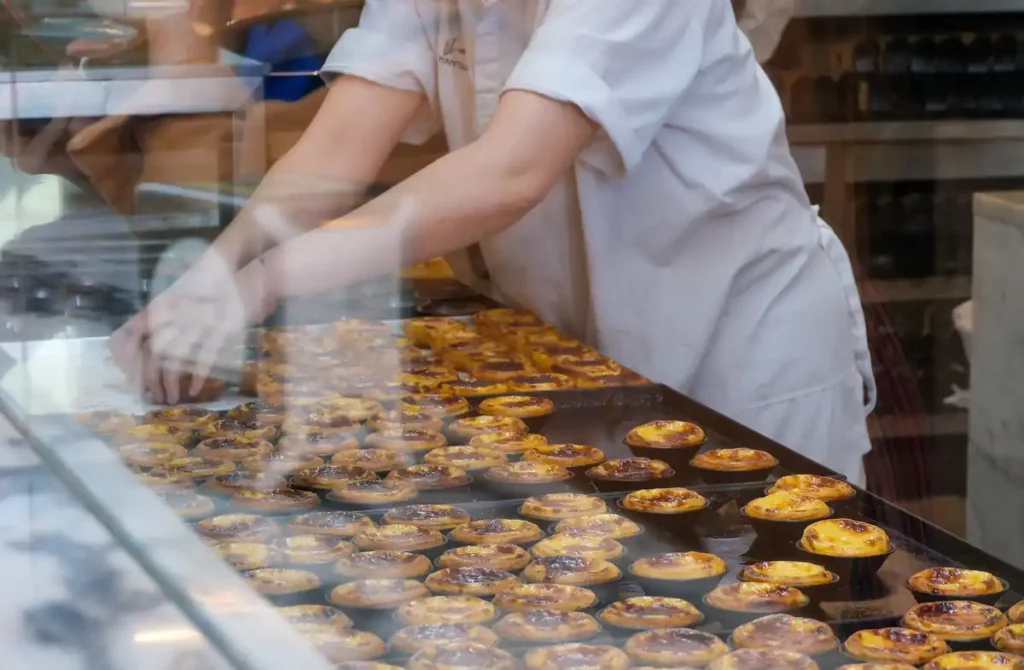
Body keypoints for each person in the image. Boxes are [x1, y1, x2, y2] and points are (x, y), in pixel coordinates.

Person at [110, 0, 876, 481]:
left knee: (763, 610)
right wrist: (212, 273)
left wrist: (262, 284)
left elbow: (510, 172)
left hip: (735, 346)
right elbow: (335, 150)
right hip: (592, 358)